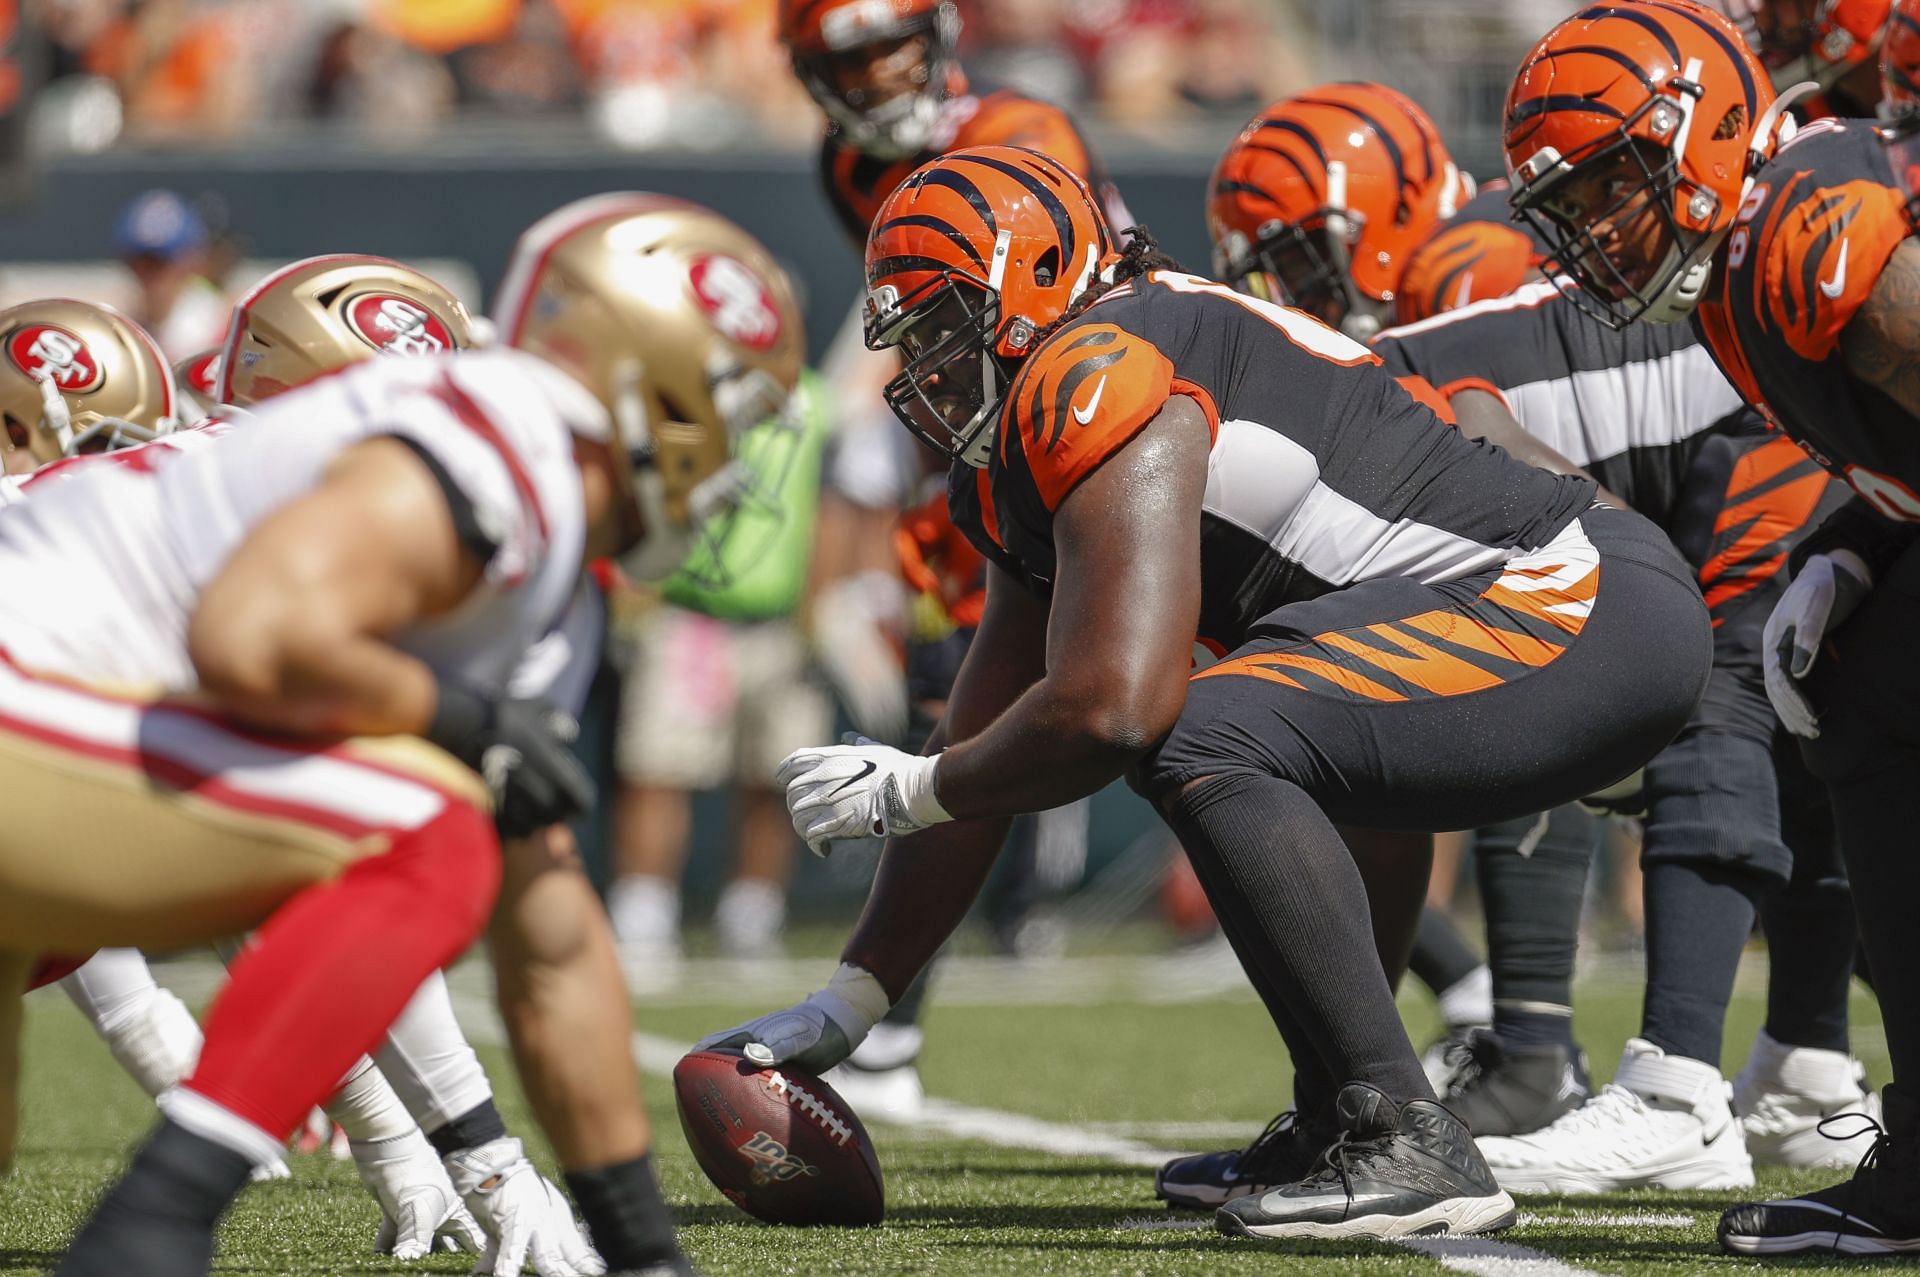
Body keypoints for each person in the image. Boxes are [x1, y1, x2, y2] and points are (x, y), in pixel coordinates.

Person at [697, 142, 1712, 1241]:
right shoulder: (1044, 430)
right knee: (1274, 720)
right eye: (914, 344)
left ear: (1033, 289)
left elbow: (1113, 704)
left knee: (1206, 727)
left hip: (1570, 595)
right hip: (1546, 598)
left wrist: (914, 790)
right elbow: (992, 717)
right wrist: (853, 997)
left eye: (946, 327)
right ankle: (1347, 1111)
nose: (932, 372)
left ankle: (1404, 1132)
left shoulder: (1102, 363)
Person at [2, 193, 801, 1277]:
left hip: (51, 752)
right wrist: (462, 722)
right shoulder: (496, 441)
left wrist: (636, 1242)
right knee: (426, 827)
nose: (738, 460)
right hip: (29, 706)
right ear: (645, 380)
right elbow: (258, 637)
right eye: (735, 412)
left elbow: (551, 930)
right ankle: (152, 1228)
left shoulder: (545, 571)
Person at [1498, 0, 1920, 1252]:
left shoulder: (1805, 225)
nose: (1595, 234)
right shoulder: (1744, 272)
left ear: (1702, 134)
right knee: (1859, 693)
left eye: (1609, 189)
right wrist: (1847, 546)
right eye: (1570, 210)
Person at [1371, 276, 1873, 1182]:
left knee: (1716, 692)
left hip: (1770, 423)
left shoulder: (1381, 369)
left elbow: (1481, 427)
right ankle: (1806, 1060)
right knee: (1801, 738)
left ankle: (1676, 1087)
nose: (1589, 226)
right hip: (1745, 427)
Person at [784, 0, 1119, 1105]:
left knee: (1198, 718)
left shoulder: (1021, 126)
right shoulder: (847, 167)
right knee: (961, 716)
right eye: (851, 57)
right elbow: (929, 336)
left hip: (1101, 425)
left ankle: (1457, 1002)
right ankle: (885, 1032)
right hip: (990, 458)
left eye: (891, 43)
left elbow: (1036, 312)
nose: (880, 72)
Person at [114, 189, 228, 361]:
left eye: (160, 263)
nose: (148, 275)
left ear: (191, 260)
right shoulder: (125, 329)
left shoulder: (221, 328)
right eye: (138, 262)